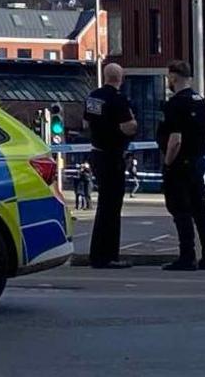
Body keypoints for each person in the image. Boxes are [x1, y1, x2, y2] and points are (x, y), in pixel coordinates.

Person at [156, 60, 205, 271]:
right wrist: (200, 156)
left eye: (169, 77)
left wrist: (168, 162)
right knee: (201, 210)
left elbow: (175, 139)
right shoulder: (202, 102)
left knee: (181, 211)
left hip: (180, 165)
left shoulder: (174, 104)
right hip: (197, 163)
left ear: (173, 77)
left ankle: (187, 256)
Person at [84, 62, 138, 268]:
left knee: (104, 206)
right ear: (120, 79)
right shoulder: (119, 99)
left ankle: (97, 253)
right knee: (112, 208)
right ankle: (108, 256)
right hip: (112, 156)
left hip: (96, 153)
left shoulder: (93, 97)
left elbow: (86, 122)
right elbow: (129, 126)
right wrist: (130, 127)